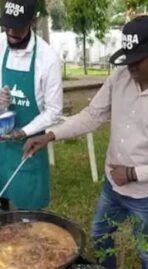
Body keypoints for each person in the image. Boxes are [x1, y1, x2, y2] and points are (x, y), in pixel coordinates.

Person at [23, 15, 148, 269]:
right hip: (112, 185)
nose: (130, 67)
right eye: (127, 58)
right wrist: (49, 135)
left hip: (147, 194)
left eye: (137, 60)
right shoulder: (120, 77)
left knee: (147, 251)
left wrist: (132, 174)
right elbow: (91, 116)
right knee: (100, 235)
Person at [0, 0, 62, 210]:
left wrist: (22, 132)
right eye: (6, 26)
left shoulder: (47, 58)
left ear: (33, 22)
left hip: (28, 147)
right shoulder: (0, 45)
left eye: (16, 27)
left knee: (28, 217)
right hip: (1, 146)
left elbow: (54, 111)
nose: (10, 33)